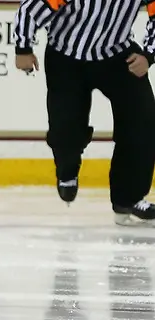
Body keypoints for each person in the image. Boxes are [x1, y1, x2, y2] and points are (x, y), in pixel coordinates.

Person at [14, 0, 155, 226]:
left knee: (142, 122)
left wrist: (149, 55)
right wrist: (23, 48)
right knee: (66, 128)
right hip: (66, 57)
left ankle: (128, 199)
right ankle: (67, 170)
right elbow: (31, 10)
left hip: (117, 55)